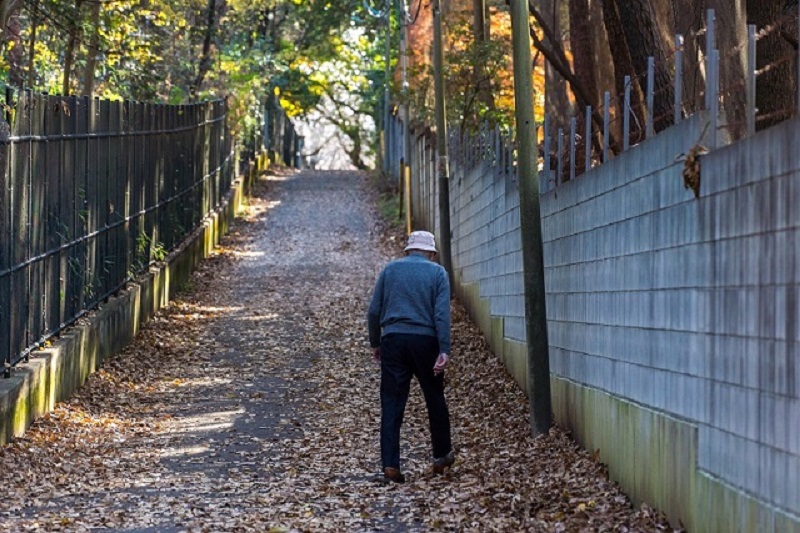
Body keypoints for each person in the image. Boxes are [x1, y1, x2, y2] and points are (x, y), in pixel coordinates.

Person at [367, 230, 455, 483]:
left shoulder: (390, 270)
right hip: (425, 341)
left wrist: (375, 342)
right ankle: (440, 455)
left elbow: (374, 311)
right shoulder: (438, 273)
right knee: (434, 396)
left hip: (393, 339)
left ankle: (391, 465)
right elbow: (441, 315)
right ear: (430, 252)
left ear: (407, 250)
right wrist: (444, 349)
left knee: (392, 401)